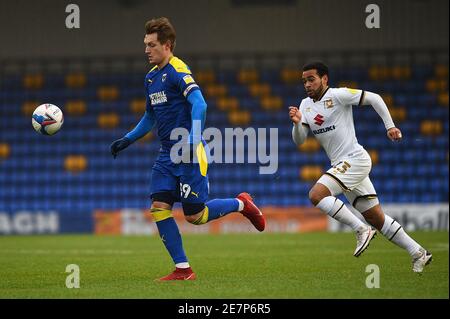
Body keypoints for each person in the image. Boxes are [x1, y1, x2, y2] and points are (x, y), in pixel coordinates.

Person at [110, 17, 265, 281]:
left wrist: (194, 138)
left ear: (167, 45)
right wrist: (128, 138)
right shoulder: (150, 78)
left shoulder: (178, 70)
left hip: (189, 153)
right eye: (145, 44)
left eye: (151, 44)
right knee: (159, 207)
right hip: (166, 155)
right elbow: (150, 117)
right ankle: (183, 269)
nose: (146, 50)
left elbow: (200, 104)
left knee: (196, 216)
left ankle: (242, 204)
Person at [289, 61, 432, 273]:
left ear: (324, 79)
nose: (307, 84)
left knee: (316, 195)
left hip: (355, 159)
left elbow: (375, 98)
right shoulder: (305, 105)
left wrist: (390, 126)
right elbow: (300, 141)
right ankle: (418, 253)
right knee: (376, 217)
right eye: (304, 81)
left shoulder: (338, 95)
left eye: (311, 79)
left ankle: (360, 229)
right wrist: (297, 123)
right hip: (342, 166)